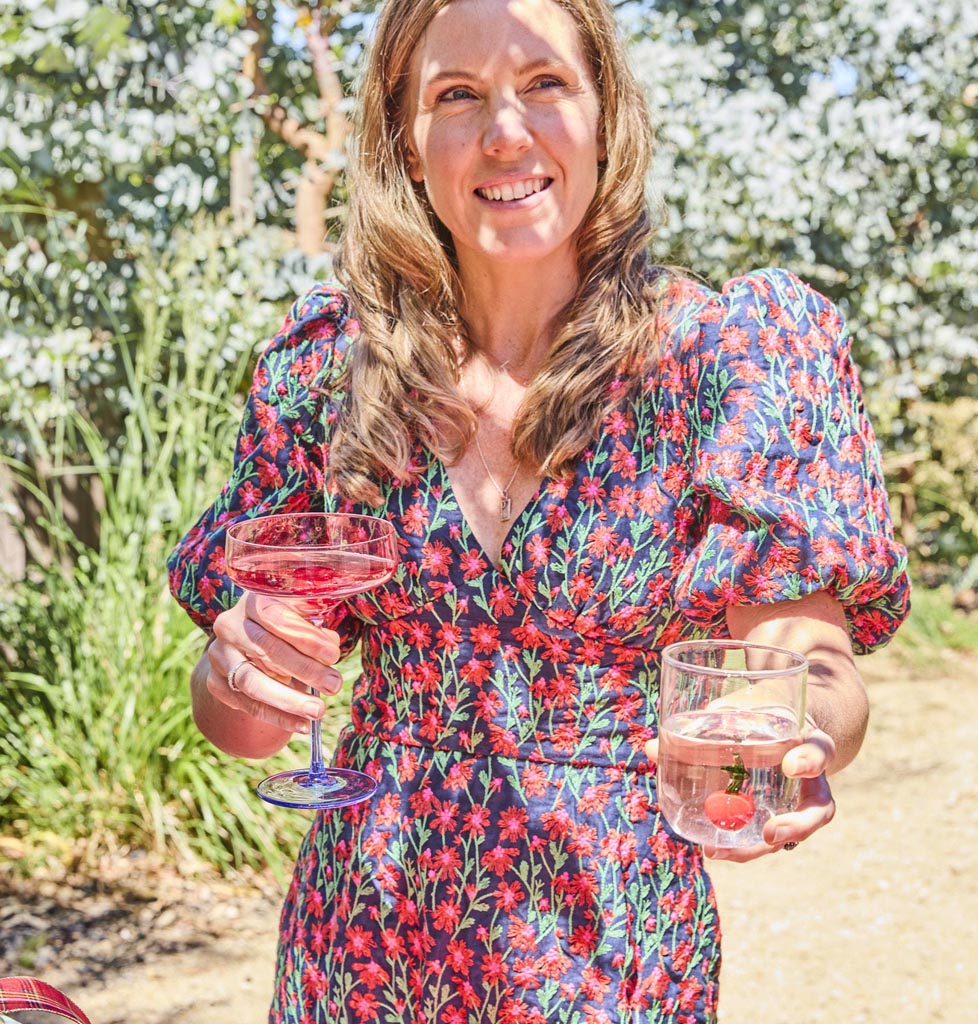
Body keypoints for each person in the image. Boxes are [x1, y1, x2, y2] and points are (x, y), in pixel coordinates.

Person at [167, 0, 910, 1020]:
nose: (505, 131)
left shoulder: (724, 358)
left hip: (612, 944)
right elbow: (245, 727)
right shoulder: (332, 369)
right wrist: (236, 667)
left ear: (605, 114)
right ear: (405, 141)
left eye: (545, 83)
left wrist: (795, 732)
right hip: (364, 941)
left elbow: (804, 652)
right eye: (456, 95)